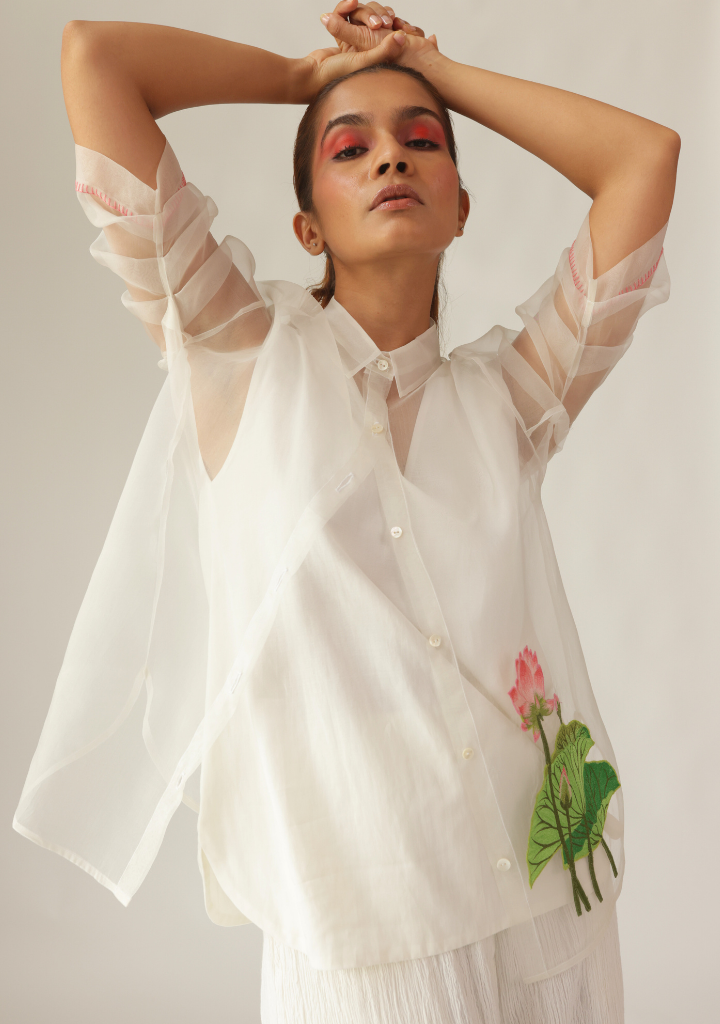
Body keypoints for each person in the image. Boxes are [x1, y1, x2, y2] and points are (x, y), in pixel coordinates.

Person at [13, 3, 678, 1021]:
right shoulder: (238, 356)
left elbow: (644, 159)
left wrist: (439, 75)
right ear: (308, 228)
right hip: (360, 944)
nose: (391, 158)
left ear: (462, 208)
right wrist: (303, 78)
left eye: (422, 143)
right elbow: (94, 58)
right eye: (349, 147)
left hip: (550, 923)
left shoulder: (510, 402)